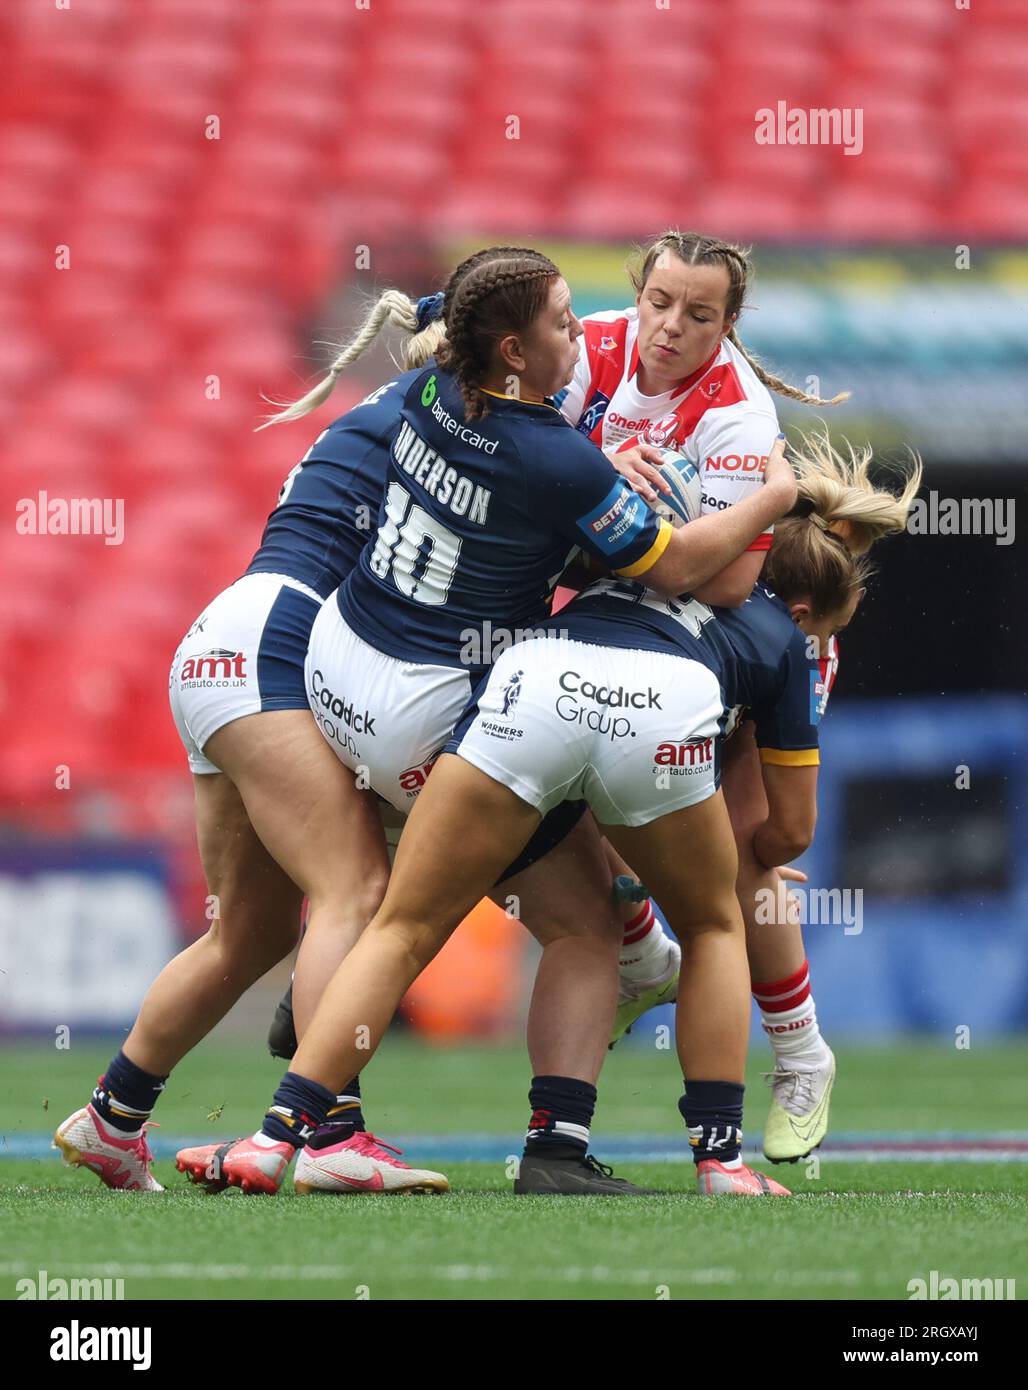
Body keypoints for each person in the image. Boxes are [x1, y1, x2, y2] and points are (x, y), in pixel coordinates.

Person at [174, 251, 800, 1197]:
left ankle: (261, 1128)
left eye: (696, 314)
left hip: (344, 664)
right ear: (515, 347)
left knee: (394, 915)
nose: (638, 328)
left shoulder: (437, 389)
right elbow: (687, 570)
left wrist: (592, 475)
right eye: (567, 320)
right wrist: (771, 499)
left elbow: (508, 417)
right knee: (632, 916)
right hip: (462, 694)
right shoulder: (570, 458)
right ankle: (667, 1144)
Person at [51, 249, 540, 1196]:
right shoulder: (453, 424)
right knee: (354, 887)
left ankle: (113, 1116)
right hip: (280, 639)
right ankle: (331, 1136)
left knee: (251, 930)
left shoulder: (393, 409)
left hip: (222, 638)